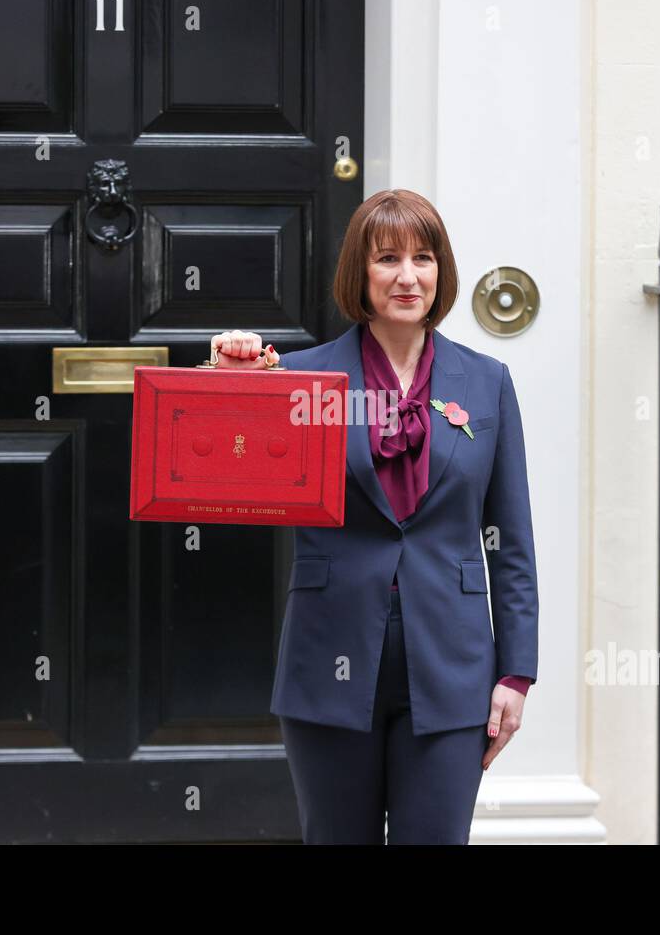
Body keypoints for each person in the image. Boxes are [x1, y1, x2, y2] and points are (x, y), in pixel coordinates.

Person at [211, 188, 538, 844]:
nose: (408, 275)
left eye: (424, 257)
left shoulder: (486, 382)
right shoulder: (301, 377)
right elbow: (222, 468)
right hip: (328, 660)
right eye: (388, 258)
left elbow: (510, 543)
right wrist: (232, 379)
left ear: (442, 270)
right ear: (360, 273)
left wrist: (516, 671)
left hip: (453, 667)